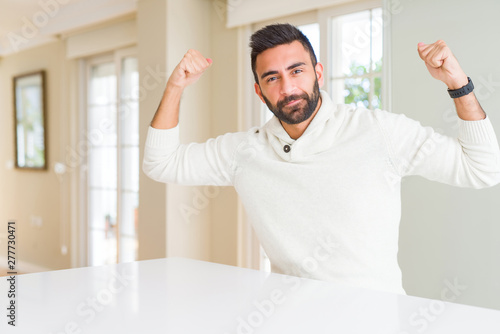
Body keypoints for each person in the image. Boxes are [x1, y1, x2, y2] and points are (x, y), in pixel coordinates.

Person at [143, 23, 500, 294]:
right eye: (272, 78)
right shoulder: (244, 152)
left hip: (376, 321)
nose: (288, 88)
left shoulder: (379, 132)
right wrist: (175, 87)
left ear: (318, 73)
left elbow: (483, 169)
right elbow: (161, 162)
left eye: (297, 71)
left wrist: (458, 84)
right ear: (259, 90)